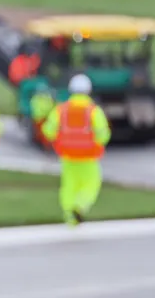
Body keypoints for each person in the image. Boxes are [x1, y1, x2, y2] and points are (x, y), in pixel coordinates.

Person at [41, 74, 111, 226]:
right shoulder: (93, 111)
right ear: (88, 91)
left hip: (67, 155)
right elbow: (103, 135)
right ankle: (80, 206)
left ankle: (69, 216)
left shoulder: (61, 110)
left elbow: (48, 131)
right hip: (88, 156)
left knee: (69, 186)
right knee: (91, 184)